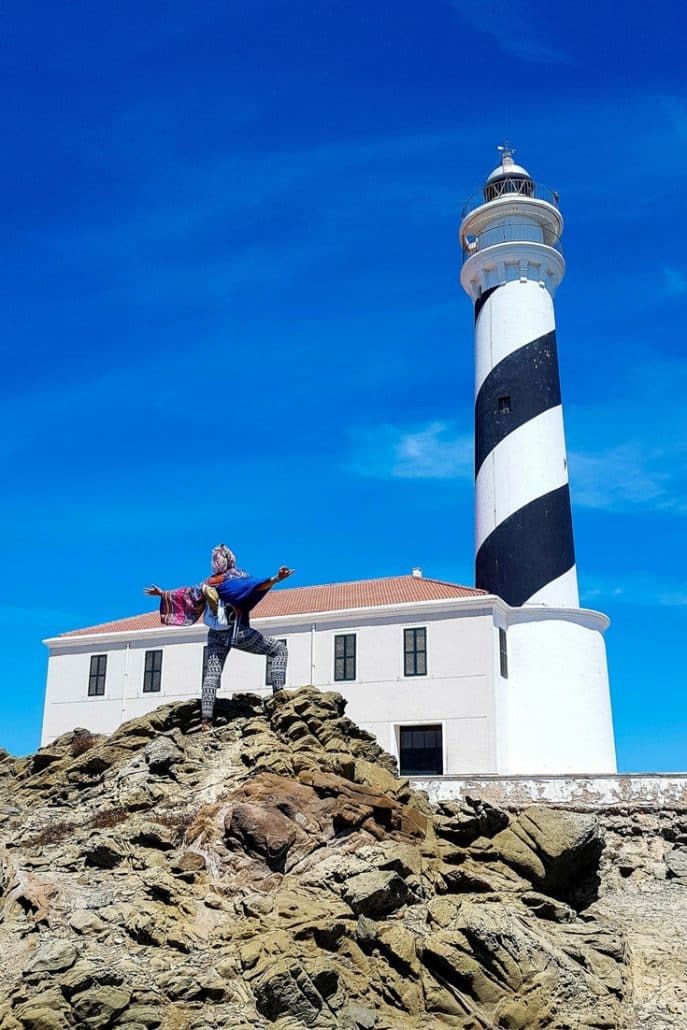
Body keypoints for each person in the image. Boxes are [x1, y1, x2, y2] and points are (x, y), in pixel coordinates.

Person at [145, 544, 294, 730]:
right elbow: (256, 586)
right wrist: (277, 578)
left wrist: (162, 593)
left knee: (212, 675)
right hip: (237, 630)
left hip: (215, 633)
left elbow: (186, 595)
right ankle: (279, 697)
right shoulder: (237, 575)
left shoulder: (206, 582)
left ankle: (206, 720)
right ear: (230, 559)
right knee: (279, 650)